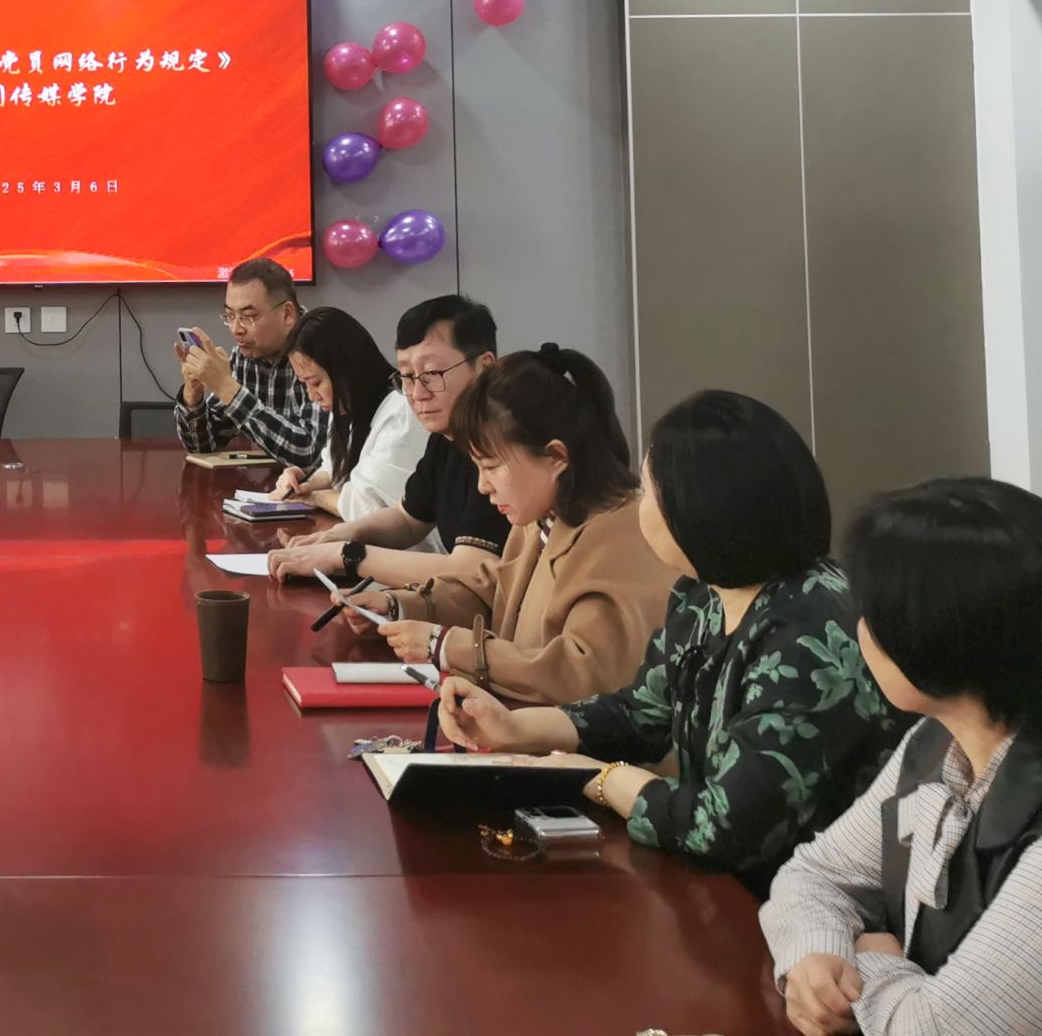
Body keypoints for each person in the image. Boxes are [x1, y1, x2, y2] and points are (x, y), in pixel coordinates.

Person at [436, 390, 904, 893]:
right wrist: (513, 728)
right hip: (737, 892)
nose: (641, 505)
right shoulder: (703, 594)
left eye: (650, 490)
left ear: (701, 505)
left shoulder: (807, 635)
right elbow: (641, 713)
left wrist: (601, 778)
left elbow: (724, 828)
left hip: (823, 910)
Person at [761, 477, 1042, 1036]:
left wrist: (871, 961)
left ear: (932, 636)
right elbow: (815, 873)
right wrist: (817, 955)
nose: (860, 629)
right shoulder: (935, 743)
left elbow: (929, 1028)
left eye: (873, 613)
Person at [343, 344, 676, 704]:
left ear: (556, 456)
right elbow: (498, 596)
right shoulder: (543, 517)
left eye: (491, 466)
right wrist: (402, 606)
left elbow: (580, 673)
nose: (483, 485)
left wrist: (447, 646)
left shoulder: (621, 538)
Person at [265, 294, 510, 587]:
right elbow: (407, 519)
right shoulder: (446, 438)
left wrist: (346, 555)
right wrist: (336, 537)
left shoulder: (507, 444)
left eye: (432, 374)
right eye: (407, 376)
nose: (417, 394)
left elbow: (471, 570)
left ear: (484, 367)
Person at [264, 306, 429, 521]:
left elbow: (370, 508)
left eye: (316, 382)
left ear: (346, 370)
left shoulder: (400, 413)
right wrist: (305, 483)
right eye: (304, 384)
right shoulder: (347, 407)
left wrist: (315, 497)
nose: (312, 396)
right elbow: (333, 468)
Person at [174, 257, 327, 471]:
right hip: (281, 486)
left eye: (248, 316)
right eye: (230, 315)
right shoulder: (246, 354)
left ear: (287, 314)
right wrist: (193, 395)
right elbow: (203, 445)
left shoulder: (321, 348)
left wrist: (225, 387)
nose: (236, 329)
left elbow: (311, 454)